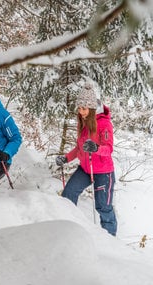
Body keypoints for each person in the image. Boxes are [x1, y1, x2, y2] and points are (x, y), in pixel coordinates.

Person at [56, 82, 118, 236]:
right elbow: (79, 148)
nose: (81, 111)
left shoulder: (104, 123)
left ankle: (110, 240)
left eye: (84, 108)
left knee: (103, 207)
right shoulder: (83, 122)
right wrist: (66, 158)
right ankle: (68, 230)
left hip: (104, 172)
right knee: (68, 195)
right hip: (85, 168)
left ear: (91, 109)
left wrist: (96, 148)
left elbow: (108, 148)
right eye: (79, 108)